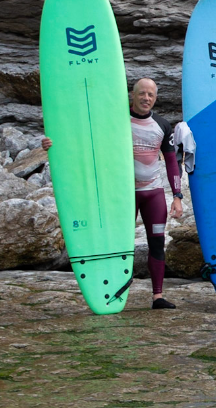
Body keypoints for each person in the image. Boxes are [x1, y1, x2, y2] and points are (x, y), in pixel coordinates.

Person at [43, 78, 185, 309]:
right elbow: (86, 141)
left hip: (154, 194)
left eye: (150, 94)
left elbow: (171, 162)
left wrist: (177, 196)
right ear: (133, 94)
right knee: (118, 244)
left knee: (157, 243)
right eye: (141, 93)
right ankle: (111, 291)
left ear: (155, 98)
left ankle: (157, 297)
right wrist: (53, 143)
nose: (146, 98)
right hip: (123, 195)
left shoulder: (162, 125)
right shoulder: (117, 121)